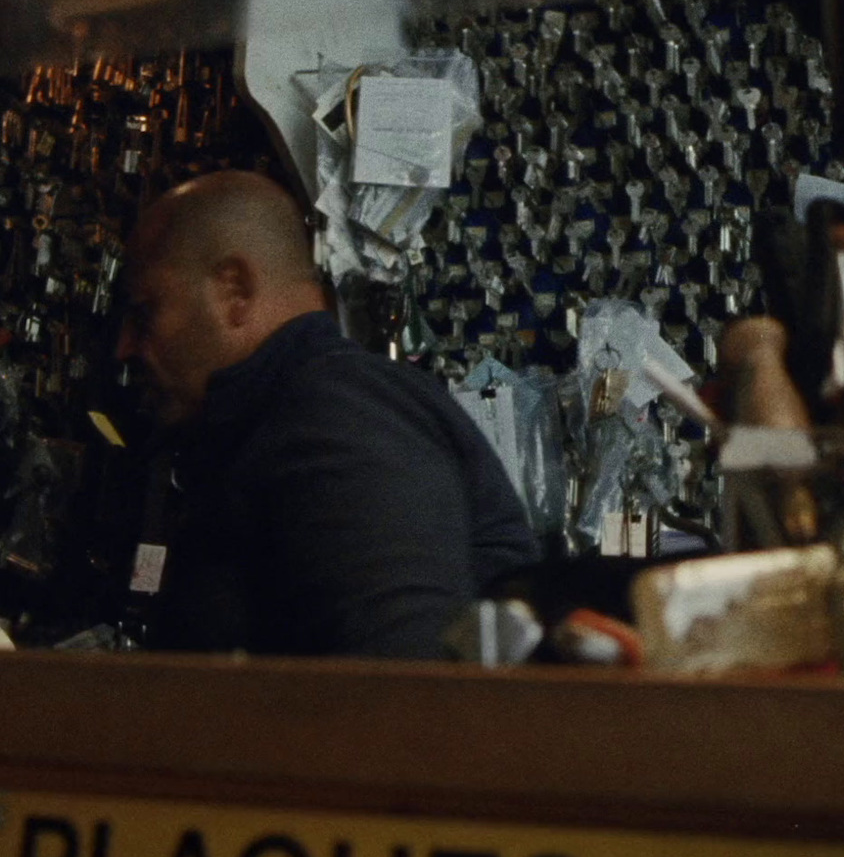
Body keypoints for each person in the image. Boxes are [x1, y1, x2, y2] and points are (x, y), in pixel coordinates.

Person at [115, 169, 540, 659]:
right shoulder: (288, 416)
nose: (125, 347)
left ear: (234, 290)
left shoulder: (334, 417)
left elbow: (403, 690)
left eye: (145, 312)